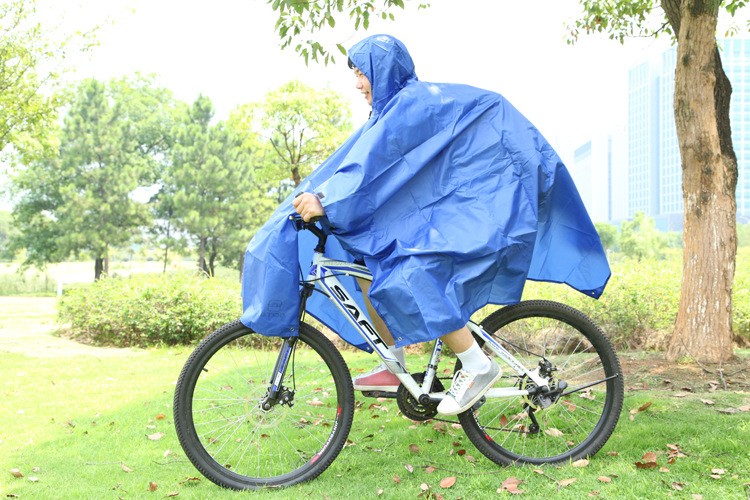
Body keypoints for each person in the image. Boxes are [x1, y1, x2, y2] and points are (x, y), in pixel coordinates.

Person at [241, 34, 610, 416]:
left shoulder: (410, 105)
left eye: (362, 73)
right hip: (448, 215)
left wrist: (328, 200)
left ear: (382, 70)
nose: (357, 83)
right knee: (364, 265)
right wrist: (322, 195)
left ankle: (476, 364)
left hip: (479, 212)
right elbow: (362, 168)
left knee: (412, 274)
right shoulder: (389, 112)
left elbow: (371, 169)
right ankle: (394, 364)